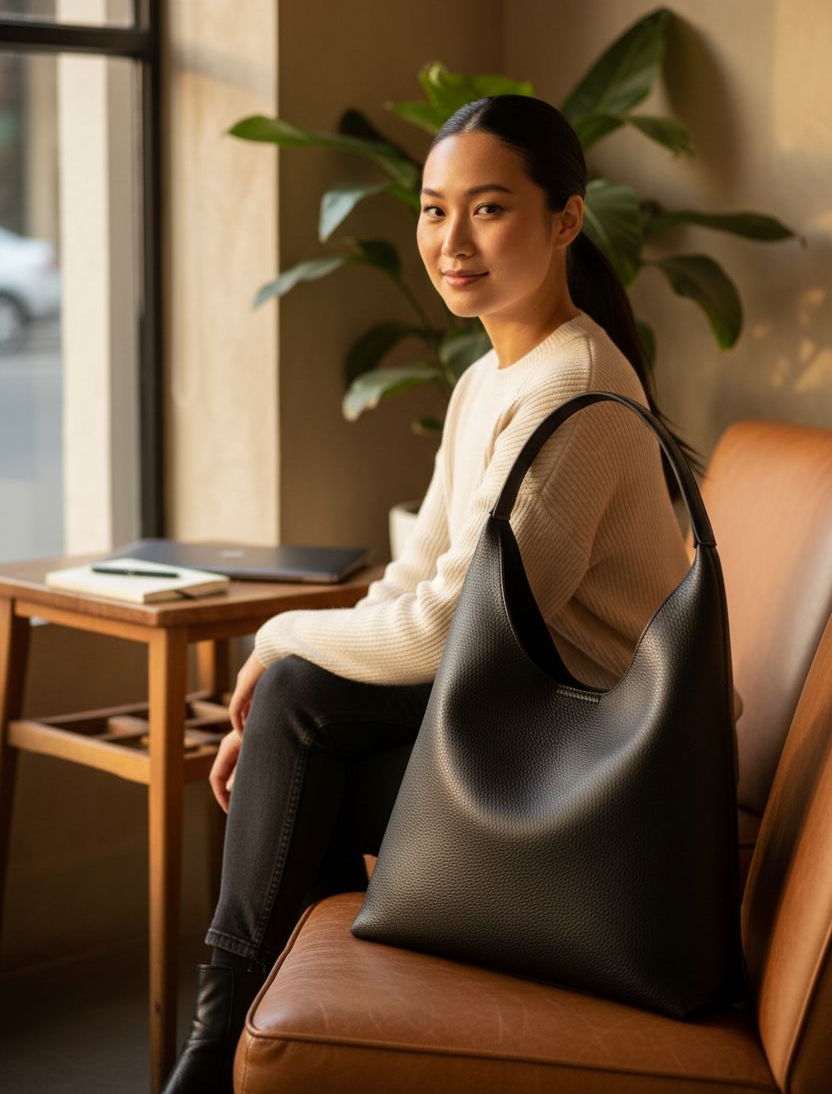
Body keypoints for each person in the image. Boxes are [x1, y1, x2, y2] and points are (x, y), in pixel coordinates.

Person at [161, 94, 737, 1093]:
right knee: (306, 723)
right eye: (432, 209)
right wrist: (304, 655)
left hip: (606, 790)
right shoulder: (488, 376)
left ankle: (218, 1055)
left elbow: (444, 635)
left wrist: (272, 642)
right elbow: (411, 575)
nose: (450, 240)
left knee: (298, 707)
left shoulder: (572, 389)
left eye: (488, 208)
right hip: (535, 753)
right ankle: (242, 1045)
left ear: (565, 219)